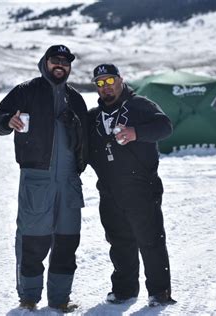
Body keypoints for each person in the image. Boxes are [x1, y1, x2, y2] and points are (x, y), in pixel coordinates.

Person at [0, 44, 88, 312]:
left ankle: (60, 299)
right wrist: (8, 121)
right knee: (33, 241)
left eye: (65, 62)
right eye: (55, 60)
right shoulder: (26, 91)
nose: (60, 65)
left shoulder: (76, 99)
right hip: (36, 180)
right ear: (45, 62)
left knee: (67, 242)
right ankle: (29, 298)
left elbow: (87, 139)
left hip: (68, 182)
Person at [87, 64, 176, 307]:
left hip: (141, 187)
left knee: (150, 240)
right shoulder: (93, 116)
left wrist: (136, 132)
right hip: (109, 190)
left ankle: (159, 292)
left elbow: (165, 126)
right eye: (100, 83)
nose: (106, 87)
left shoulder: (139, 105)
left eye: (110, 80)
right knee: (119, 241)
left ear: (120, 80)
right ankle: (125, 290)